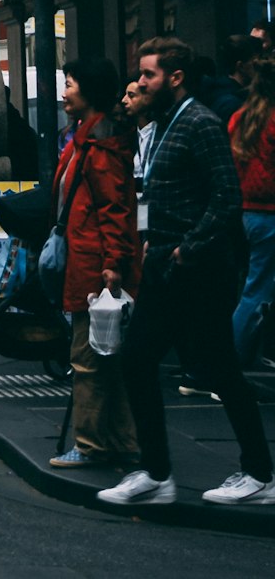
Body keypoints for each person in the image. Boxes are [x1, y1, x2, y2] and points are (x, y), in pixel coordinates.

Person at [98, 36, 274, 509]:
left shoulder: (199, 123)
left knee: (218, 368)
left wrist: (186, 250)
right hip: (165, 266)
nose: (139, 82)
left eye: (149, 75)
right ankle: (157, 474)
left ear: (175, 78)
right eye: (139, 74)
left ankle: (258, 472)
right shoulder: (164, 124)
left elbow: (227, 198)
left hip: (196, 270)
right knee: (140, 360)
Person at [43, 58, 140, 472]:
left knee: (87, 357)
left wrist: (113, 265)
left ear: (88, 91)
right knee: (107, 357)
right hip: (90, 262)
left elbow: (113, 210)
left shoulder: (98, 146)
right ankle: (123, 440)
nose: (64, 92)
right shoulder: (85, 139)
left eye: (69, 84)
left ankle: (88, 444)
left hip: (94, 268)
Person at [229, 53, 275, 368]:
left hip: (246, 212)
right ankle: (234, 358)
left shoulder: (240, 118)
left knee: (252, 285)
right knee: (257, 288)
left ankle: (243, 352)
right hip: (270, 213)